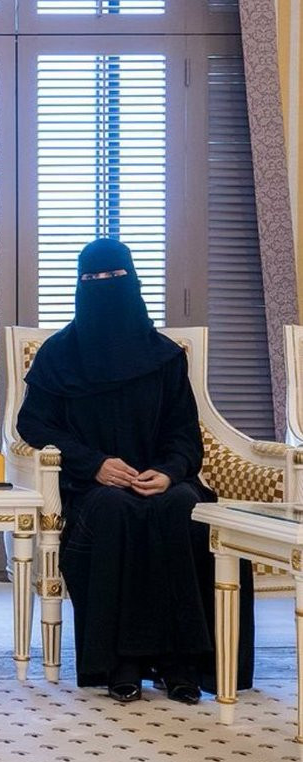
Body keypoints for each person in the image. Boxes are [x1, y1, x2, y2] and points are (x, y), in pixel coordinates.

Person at [16, 237, 253, 704]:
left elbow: (184, 434)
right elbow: (34, 423)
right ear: (79, 286)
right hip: (92, 484)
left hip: (162, 479)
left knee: (183, 508)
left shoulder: (165, 356)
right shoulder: (58, 355)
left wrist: (167, 472)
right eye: (92, 278)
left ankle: (181, 662)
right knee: (113, 511)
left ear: (134, 282)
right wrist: (94, 464)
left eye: (114, 277)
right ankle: (120, 662)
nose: (104, 285)